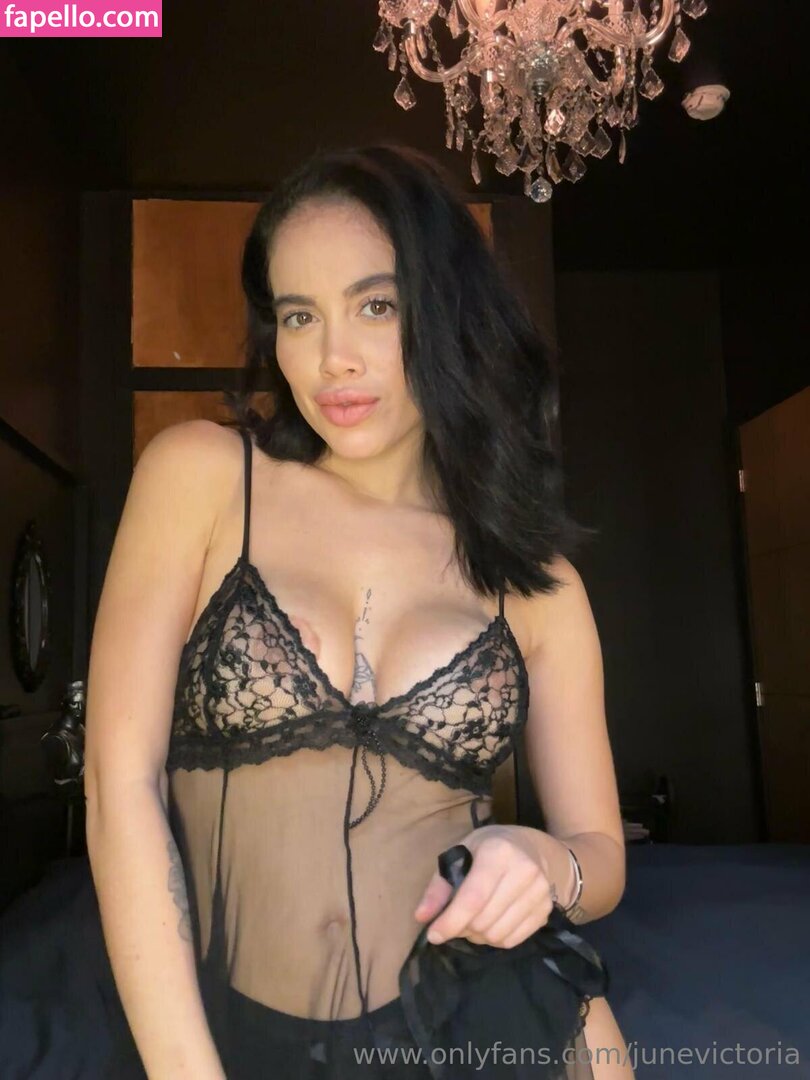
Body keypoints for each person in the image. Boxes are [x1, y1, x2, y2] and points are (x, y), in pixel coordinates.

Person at [84, 143, 634, 1079]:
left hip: (486, 1017)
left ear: (448, 313)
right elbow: (117, 782)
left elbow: (603, 858)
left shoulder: (537, 582)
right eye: (299, 315)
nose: (332, 357)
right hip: (217, 1029)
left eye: (377, 305)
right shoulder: (203, 478)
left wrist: (544, 862)